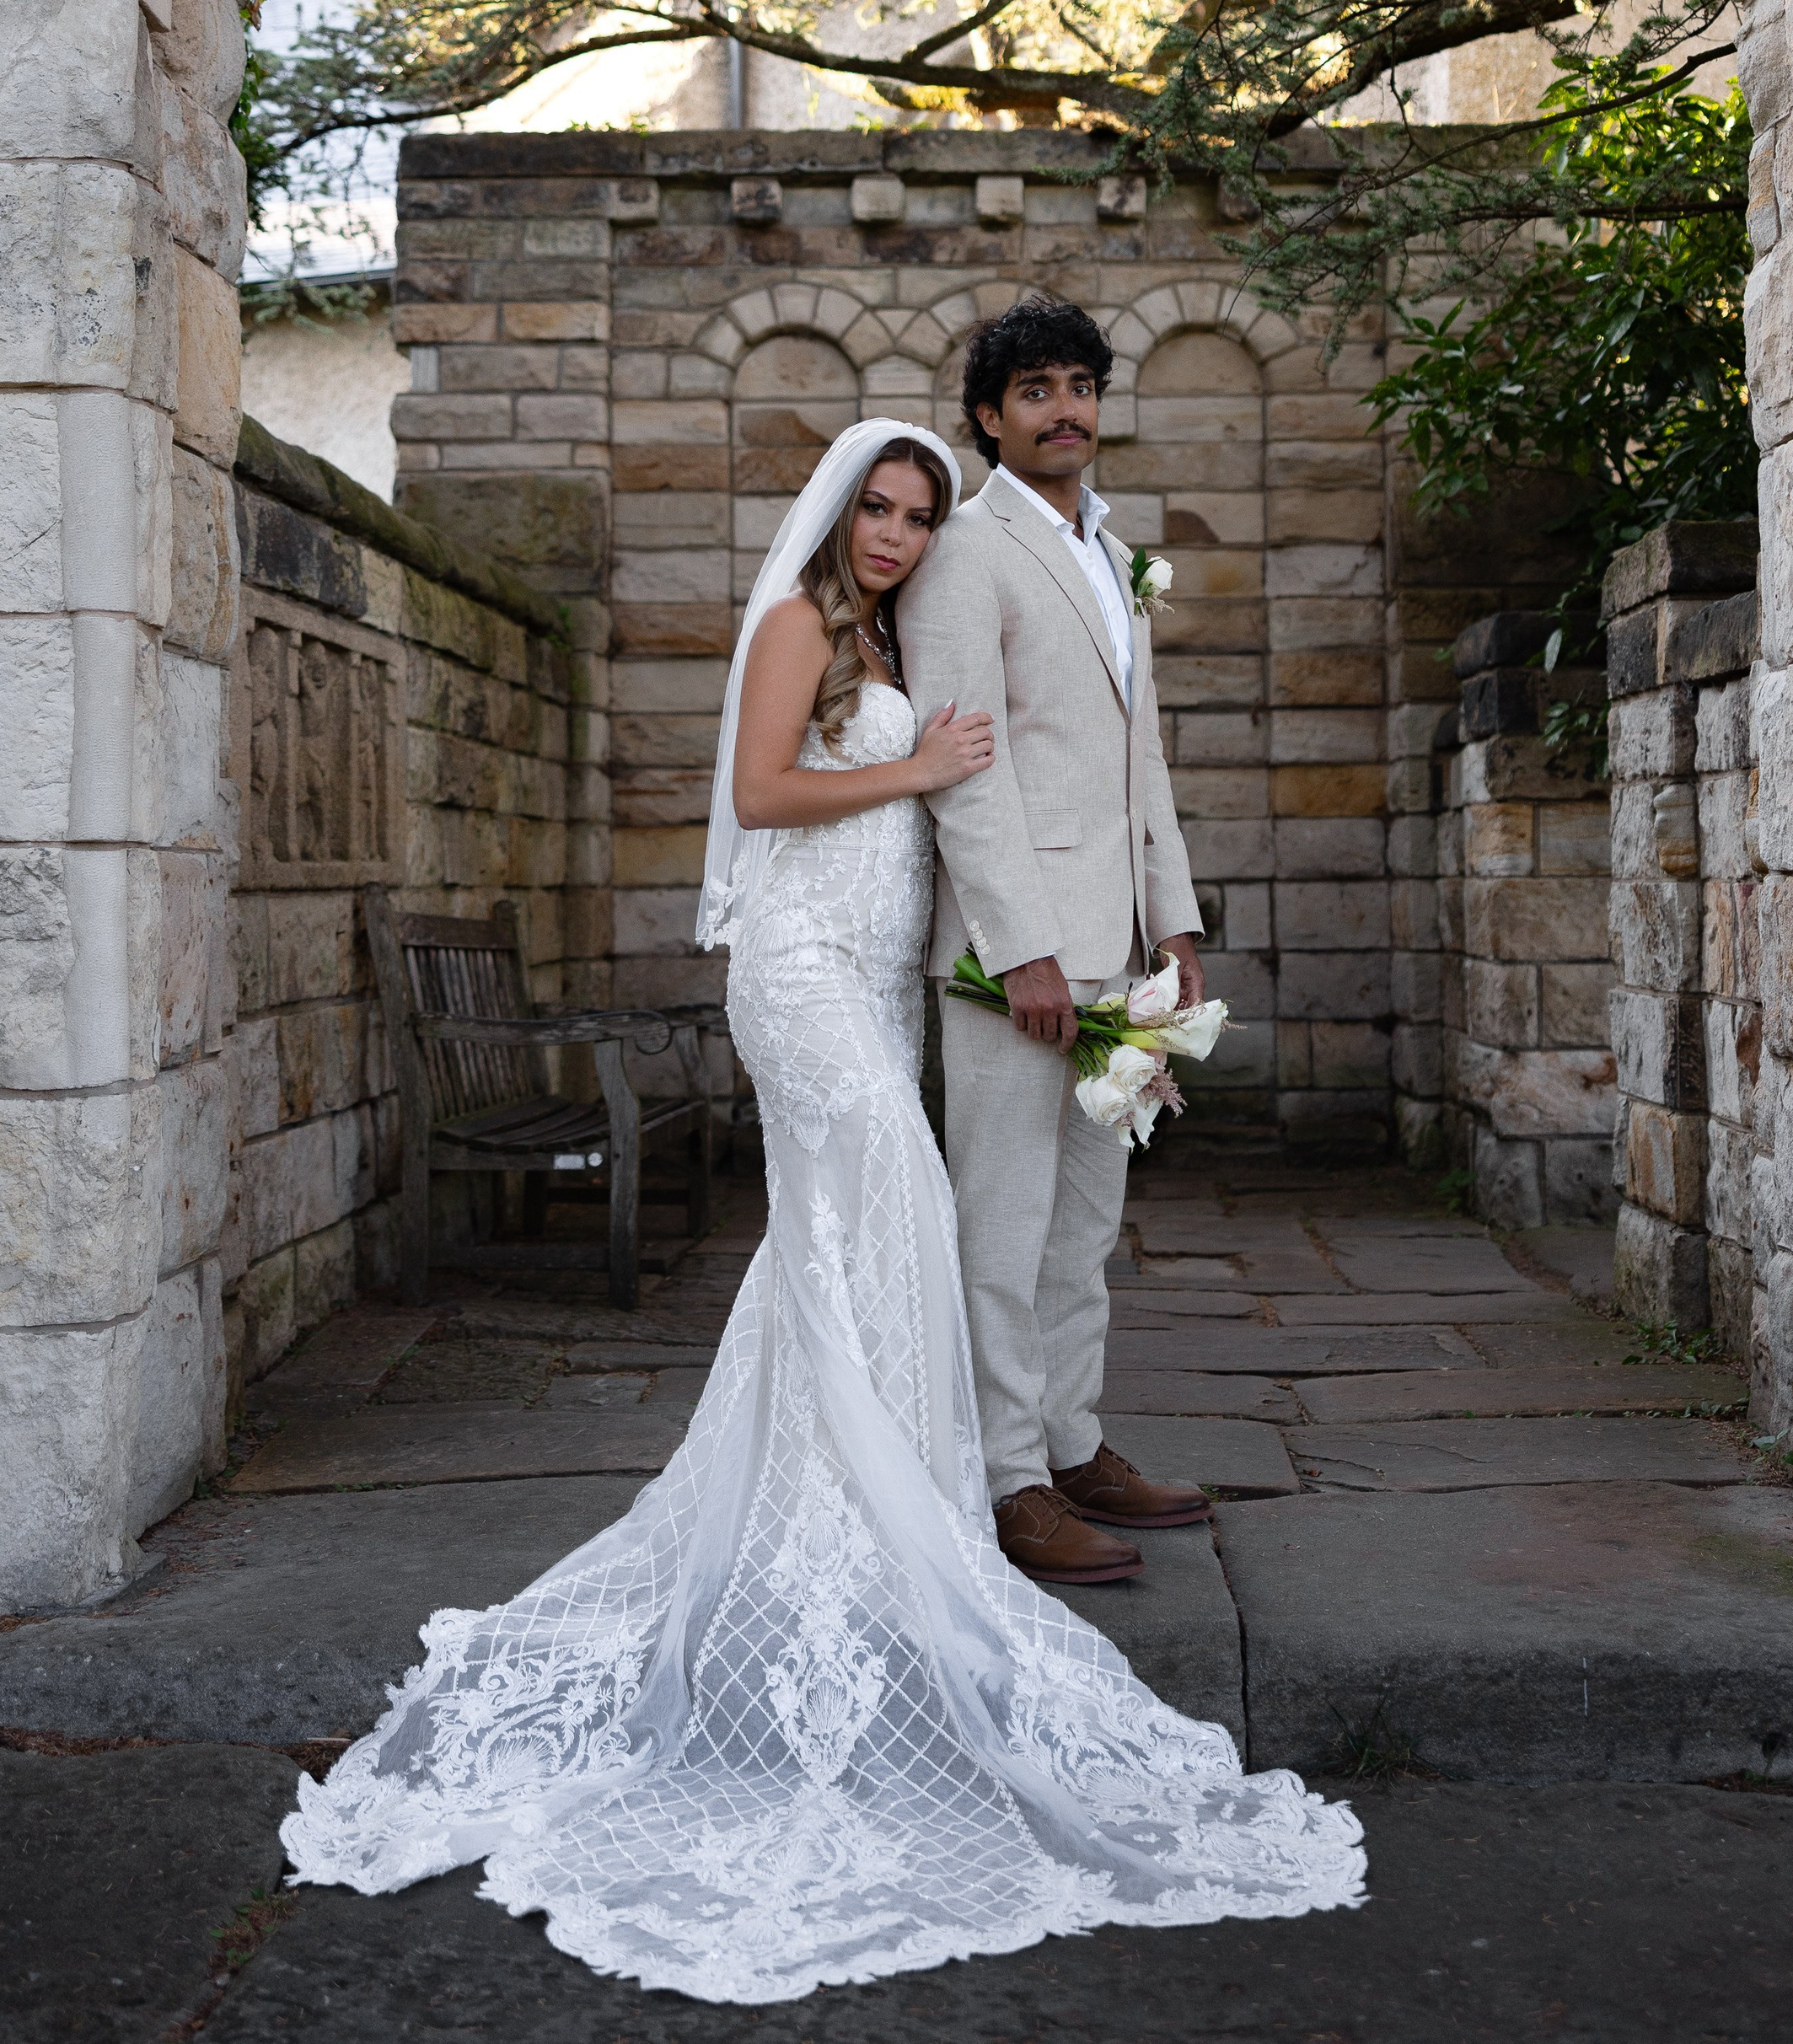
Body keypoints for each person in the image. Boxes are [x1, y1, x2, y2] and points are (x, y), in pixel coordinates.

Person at [282, 418, 1363, 2004]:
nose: (899, 534)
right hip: (795, 975)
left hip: (875, 977)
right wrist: (926, 764)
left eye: (920, 516)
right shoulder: (796, 622)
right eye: (882, 507)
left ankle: (857, 1513)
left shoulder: (888, 630)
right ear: (839, 510)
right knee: (903, 1217)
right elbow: (762, 790)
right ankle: (904, 1509)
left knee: (843, 1248)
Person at [896, 297, 1209, 1585]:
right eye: (1036, 390)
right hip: (1010, 960)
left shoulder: (1114, 550)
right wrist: (1017, 947)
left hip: (1120, 949)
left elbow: (1141, 763)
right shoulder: (966, 552)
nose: (1065, 408)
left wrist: (1178, 924)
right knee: (1003, 1224)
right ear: (989, 415)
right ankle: (1005, 1480)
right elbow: (963, 771)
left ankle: (1074, 1445)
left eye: (1081, 385)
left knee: (1085, 1225)